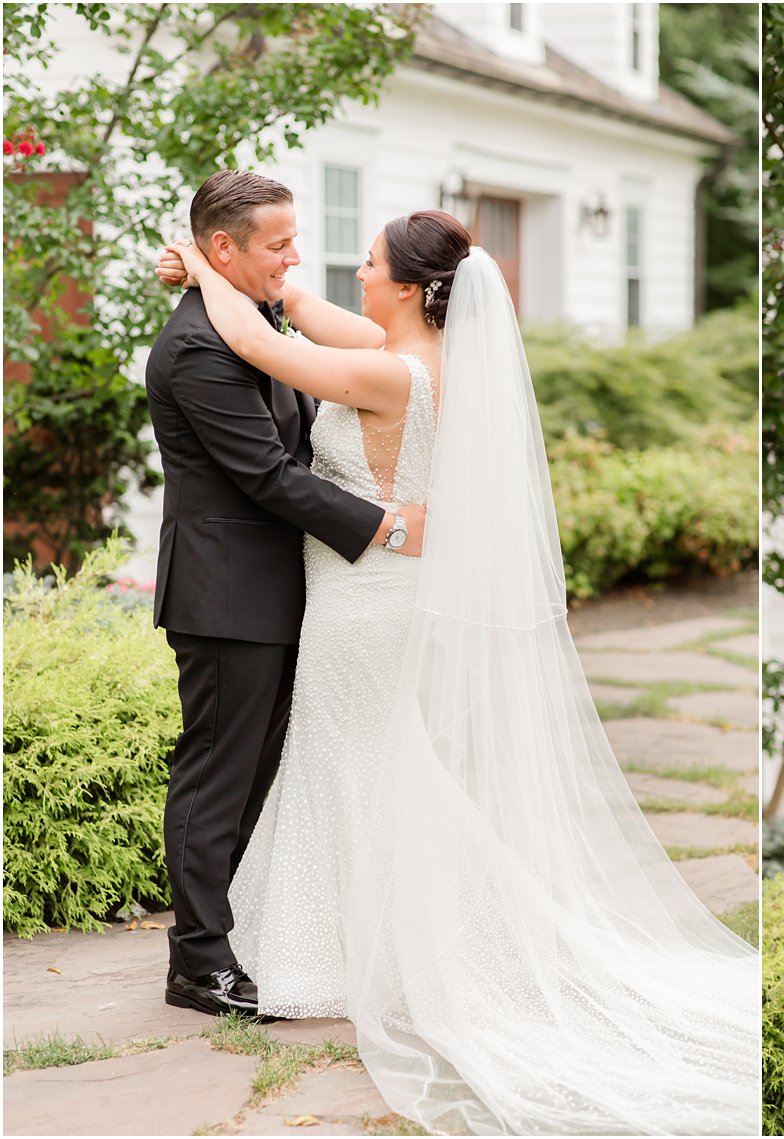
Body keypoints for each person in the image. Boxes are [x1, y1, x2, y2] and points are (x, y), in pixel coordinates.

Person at [159, 204, 759, 1134]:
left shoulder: (377, 368)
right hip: (383, 593)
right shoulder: (421, 352)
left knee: (350, 761)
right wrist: (265, 277)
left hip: (364, 599)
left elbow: (257, 339)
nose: (346, 270)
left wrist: (207, 265)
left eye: (367, 262)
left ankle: (356, 947)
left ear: (407, 287)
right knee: (379, 761)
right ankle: (398, 938)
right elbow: (299, 310)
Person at [144, 170, 426, 1019]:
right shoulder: (197, 346)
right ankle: (196, 961)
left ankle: (228, 936)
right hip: (226, 594)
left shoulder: (249, 312)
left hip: (281, 590)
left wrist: (219, 270)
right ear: (223, 248)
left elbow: (297, 412)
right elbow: (267, 474)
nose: (296, 257)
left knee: (256, 774)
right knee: (216, 776)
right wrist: (384, 526)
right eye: (279, 244)